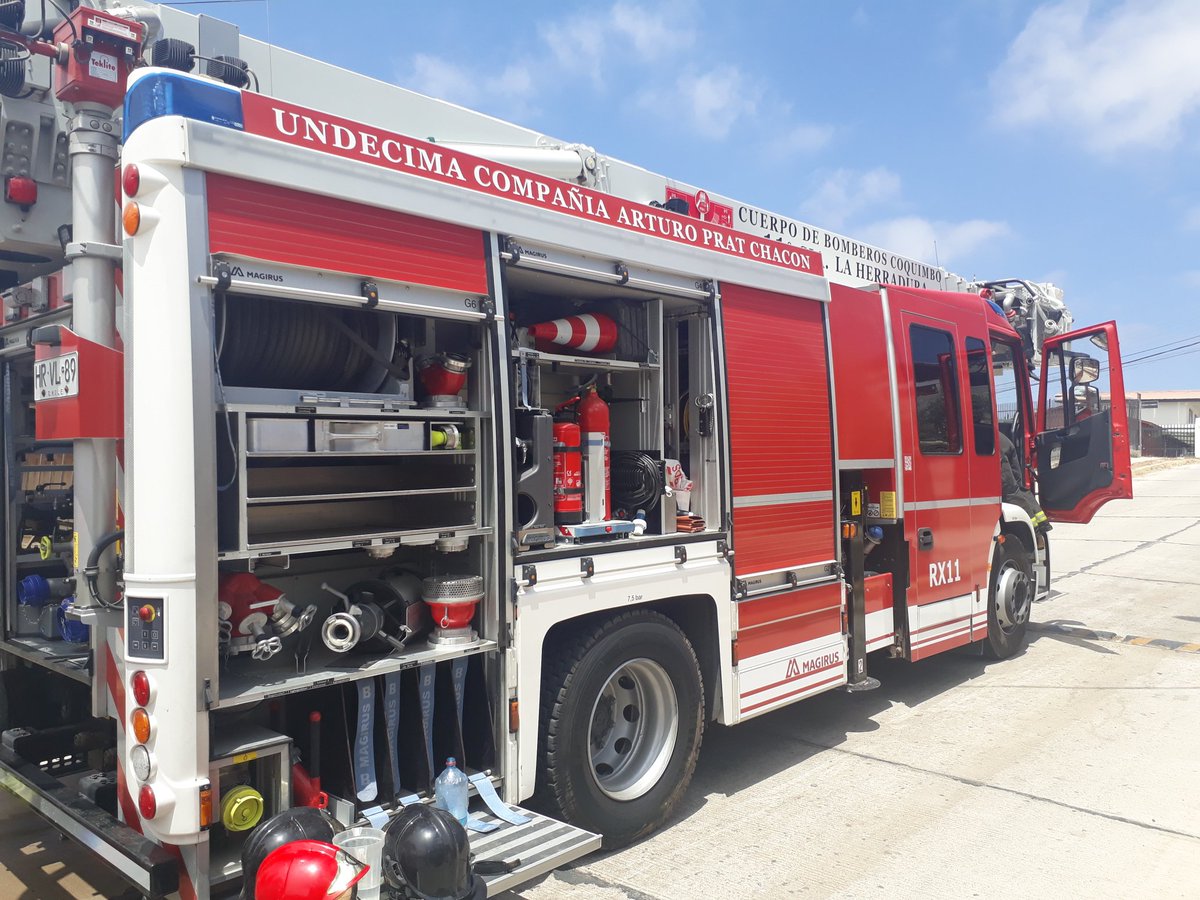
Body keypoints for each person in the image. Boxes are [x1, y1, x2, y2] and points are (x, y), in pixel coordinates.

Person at [999, 430, 1050, 532]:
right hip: (1005, 444)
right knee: (1018, 487)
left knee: (1011, 492)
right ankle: (1042, 524)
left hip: (999, 450)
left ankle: (1032, 528)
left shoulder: (979, 430)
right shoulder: (995, 431)